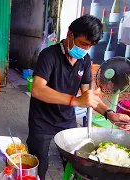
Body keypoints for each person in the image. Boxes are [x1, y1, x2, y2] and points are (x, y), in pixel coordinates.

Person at [27, 15, 130, 180]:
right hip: (42, 121)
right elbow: (38, 90)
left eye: (90, 46)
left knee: (78, 161)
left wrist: (110, 114)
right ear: (70, 35)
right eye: (83, 44)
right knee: (39, 164)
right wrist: (74, 101)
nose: (85, 49)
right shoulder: (49, 55)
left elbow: (88, 96)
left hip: (66, 121)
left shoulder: (84, 60)